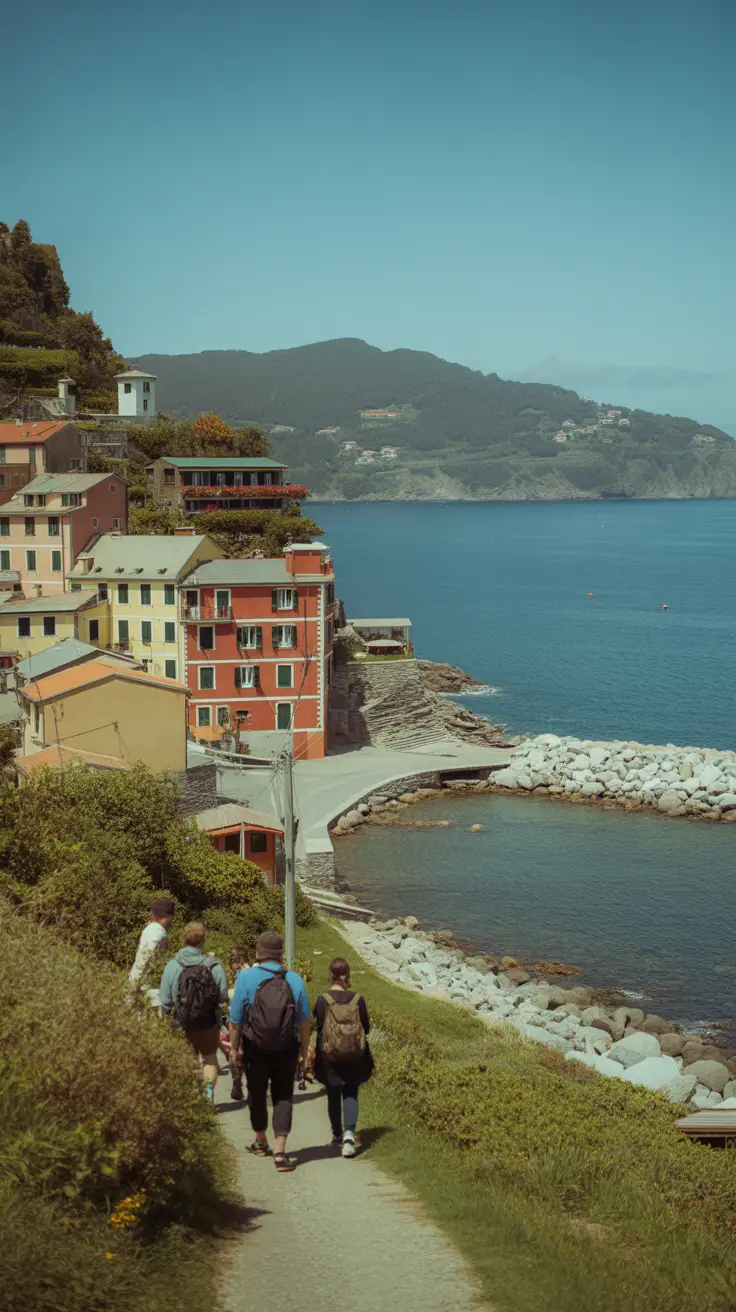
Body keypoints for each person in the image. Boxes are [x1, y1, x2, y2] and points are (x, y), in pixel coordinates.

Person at [229, 931, 311, 1173]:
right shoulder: (294, 979)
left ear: (258, 954)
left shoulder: (245, 977)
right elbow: (304, 1021)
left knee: (256, 1093)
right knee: (283, 1096)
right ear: (281, 954)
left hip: (255, 1048)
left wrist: (234, 1049)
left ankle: (260, 1140)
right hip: (286, 1048)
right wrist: (305, 1052)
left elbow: (235, 1021)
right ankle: (280, 1152)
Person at [160, 922, 229, 1102]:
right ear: (203, 941)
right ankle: (208, 1091)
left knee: (186, 1062)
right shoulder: (214, 966)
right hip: (208, 1022)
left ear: (183, 939)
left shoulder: (173, 965)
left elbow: (165, 999)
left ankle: (190, 1099)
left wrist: (167, 1018)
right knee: (209, 1058)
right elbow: (222, 997)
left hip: (182, 1022)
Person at [313, 957, 373, 1158]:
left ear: (330, 975)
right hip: (355, 1055)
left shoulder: (323, 999)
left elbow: (319, 1026)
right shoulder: (358, 999)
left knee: (332, 1093)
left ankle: (337, 1137)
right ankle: (349, 1136)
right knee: (351, 1092)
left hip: (329, 1055)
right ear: (347, 976)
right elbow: (367, 1027)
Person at [128, 898, 174, 1006]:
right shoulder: (157, 931)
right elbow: (144, 959)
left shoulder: (152, 929)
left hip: (143, 983)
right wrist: (134, 985)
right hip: (144, 986)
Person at [224, 947, 248, 1102]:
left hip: (240, 1017)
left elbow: (239, 995)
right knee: (242, 1052)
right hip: (248, 1017)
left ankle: (237, 1083)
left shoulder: (243, 973)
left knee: (235, 1050)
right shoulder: (247, 971)